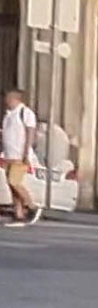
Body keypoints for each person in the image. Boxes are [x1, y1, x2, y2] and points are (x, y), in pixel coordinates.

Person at [1, 88, 38, 226]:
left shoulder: (25, 113)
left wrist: (26, 153)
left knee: (14, 182)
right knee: (11, 185)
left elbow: (30, 133)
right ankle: (19, 213)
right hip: (8, 154)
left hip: (19, 155)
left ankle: (32, 206)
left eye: (8, 98)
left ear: (15, 98)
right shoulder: (8, 115)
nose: (5, 101)